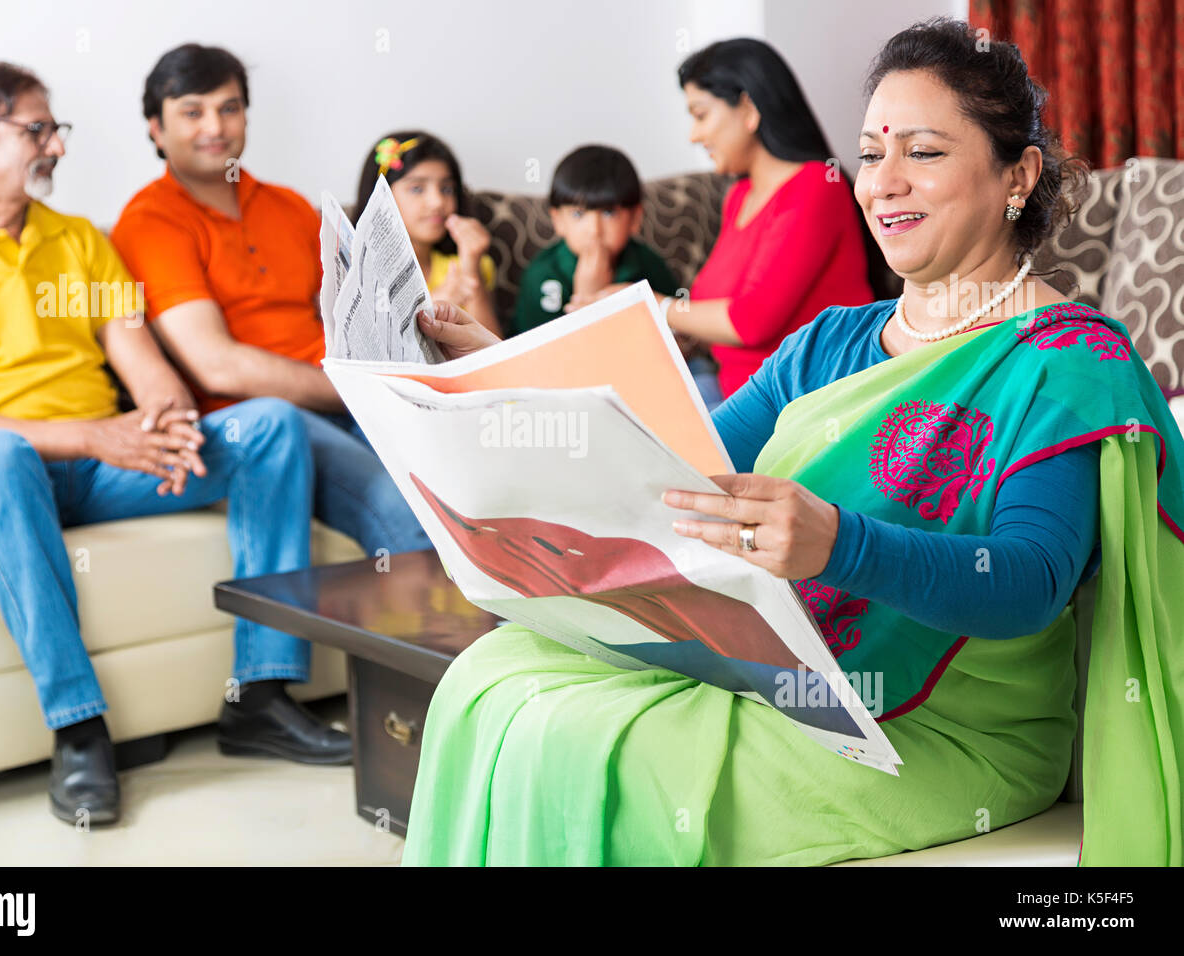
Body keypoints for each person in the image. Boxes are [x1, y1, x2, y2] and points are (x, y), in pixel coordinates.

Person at [400, 18, 1184, 865]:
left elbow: (1028, 581)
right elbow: (672, 456)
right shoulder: (829, 343)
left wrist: (838, 545)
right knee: (491, 680)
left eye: (922, 152)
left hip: (939, 728)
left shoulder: (1066, 360)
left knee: (612, 755)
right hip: (777, 671)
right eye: (870, 153)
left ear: (1017, 176)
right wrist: (501, 380)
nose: (883, 182)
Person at [0, 63, 349, 828]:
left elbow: (145, 367)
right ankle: (78, 729)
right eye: (36, 130)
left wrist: (164, 417)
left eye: (54, 129)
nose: (55, 147)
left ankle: (261, 695)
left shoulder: (77, 243)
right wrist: (99, 436)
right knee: (5, 457)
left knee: (267, 424)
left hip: (97, 466)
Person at [111, 44, 432, 560]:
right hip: (260, 419)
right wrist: (351, 389)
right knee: (400, 509)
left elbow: (352, 317)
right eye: (192, 112)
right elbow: (216, 367)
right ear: (156, 128)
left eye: (230, 107)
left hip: (348, 398)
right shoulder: (150, 220)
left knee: (470, 487)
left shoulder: (289, 206)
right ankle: (446, 644)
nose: (215, 126)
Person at [567, 38, 882, 400]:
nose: (694, 134)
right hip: (737, 391)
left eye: (700, 115)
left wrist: (648, 302)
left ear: (748, 108)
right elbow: (711, 307)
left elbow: (751, 321)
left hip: (803, 400)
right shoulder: (739, 196)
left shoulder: (816, 185)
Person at [511, 145, 721, 408]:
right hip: (573, 382)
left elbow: (675, 333)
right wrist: (587, 298)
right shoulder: (544, 275)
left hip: (646, 370)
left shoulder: (646, 262)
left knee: (702, 379)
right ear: (558, 221)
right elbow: (540, 359)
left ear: (635, 219)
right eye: (578, 214)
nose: (594, 229)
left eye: (609, 213)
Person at [355, 131, 502, 336]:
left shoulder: (469, 264)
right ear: (379, 197)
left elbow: (491, 352)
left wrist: (472, 270)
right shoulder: (362, 274)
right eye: (417, 189)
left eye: (447, 189)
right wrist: (433, 306)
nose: (437, 202)